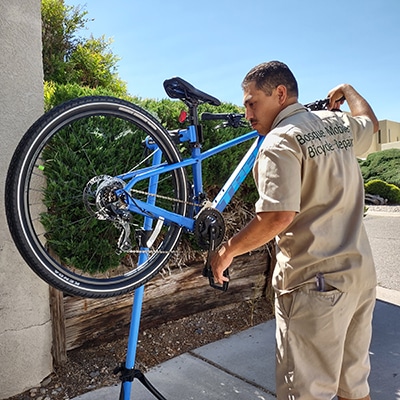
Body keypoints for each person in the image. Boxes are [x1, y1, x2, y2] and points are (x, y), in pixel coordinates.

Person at [211, 61, 379, 400]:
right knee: (354, 386)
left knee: (304, 393)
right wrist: (347, 89)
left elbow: (277, 217)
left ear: (280, 94)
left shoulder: (280, 140)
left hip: (315, 288)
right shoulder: (336, 123)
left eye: (251, 102)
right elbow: (371, 124)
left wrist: (227, 251)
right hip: (360, 277)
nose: (247, 113)